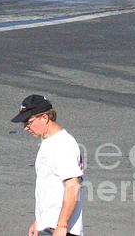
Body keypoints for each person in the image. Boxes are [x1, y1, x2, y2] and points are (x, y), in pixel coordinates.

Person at [12, 94, 84, 236]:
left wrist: (62, 226)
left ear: (44, 118)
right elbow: (48, 188)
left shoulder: (63, 144)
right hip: (49, 227)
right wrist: (39, 221)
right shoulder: (49, 143)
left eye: (29, 122)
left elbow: (73, 186)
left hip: (61, 230)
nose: (26, 127)